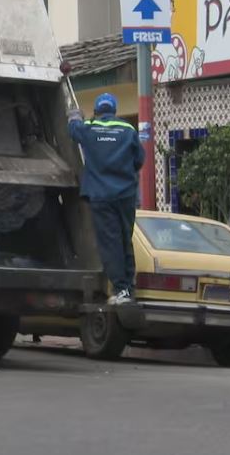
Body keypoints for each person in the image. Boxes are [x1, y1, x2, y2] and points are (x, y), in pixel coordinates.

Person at [68, 93, 145, 306]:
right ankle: (128, 288)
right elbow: (139, 159)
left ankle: (120, 289)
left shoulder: (89, 127)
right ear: (114, 110)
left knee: (110, 243)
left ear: (96, 110)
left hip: (101, 196)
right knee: (124, 240)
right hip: (125, 195)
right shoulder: (128, 129)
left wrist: (74, 115)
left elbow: (73, 130)